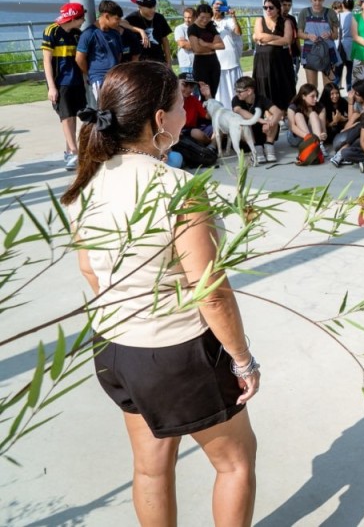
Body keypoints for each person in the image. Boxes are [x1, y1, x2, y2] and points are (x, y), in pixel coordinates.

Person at [60, 61, 258, 526]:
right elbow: (210, 292)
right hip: (178, 352)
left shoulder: (88, 180)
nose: (186, 113)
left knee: (151, 468)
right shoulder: (177, 187)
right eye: (179, 105)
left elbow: (89, 268)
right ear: (158, 120)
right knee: (236, 462)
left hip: (116, 347)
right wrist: (242, 360)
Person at [43, 2, 87, 170]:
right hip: (60, 82)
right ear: (74, 18)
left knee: (73, 116)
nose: (84, 20)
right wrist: (51, 87)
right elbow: (46, 61)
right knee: (66, 117)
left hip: (77, 80)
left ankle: (69, 150)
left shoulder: (77, 33)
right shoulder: (51, 31)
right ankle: (74, 152)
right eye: (82, 17)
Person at [251, 0, 295, 129]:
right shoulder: (260, 20)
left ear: (278, 9)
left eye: (271, 7)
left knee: (283, 86)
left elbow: (287, 40)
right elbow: (259, 36)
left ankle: (284, 115)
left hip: (281, 61)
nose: (268, 10)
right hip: (262, 61)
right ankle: (269, 115)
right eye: (265, 7)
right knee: (264, 86)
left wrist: (268, 41)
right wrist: (277, 38)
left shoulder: (286, 22)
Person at [76, 0, 129, 108]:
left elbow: (119, 54)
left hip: (115, 78)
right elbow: (79, 59)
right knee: (105, 110)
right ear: (106, 16)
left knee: (119, 109)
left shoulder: (115, 33)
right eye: (117, 19)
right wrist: (91, 74)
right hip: (99, 79)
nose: (119, 22)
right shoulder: (89, 34)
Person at [297, 0, 341, 88]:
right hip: (310, 52)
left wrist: (329, 34)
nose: (317, 3)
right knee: (311, 87)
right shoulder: (304, 12)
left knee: (328, 87)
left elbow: (336, 35)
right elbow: (299, 33)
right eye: (315, 0)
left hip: (328, 51)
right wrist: (308, 36)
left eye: (320, 0)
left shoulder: (330, 13)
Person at [232, 75, 283, 163]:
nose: (237, 93)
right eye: (236, 91)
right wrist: (261, 120)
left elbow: (278, 112)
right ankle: (256, 151)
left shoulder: (261, 98)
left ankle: (269, 148)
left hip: (262, 131)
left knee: (273, 119)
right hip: (247, 138)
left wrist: (269, 123)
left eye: (239, 91)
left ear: (249, 91)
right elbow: (239, 110)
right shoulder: (236, 99)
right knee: (244, 123)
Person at [211, 0, 245, 108]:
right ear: (212, 5)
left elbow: (238, 32)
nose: (218, 6)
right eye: (216, 4)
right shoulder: (208, 21)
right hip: (216, 61)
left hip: (231, 60)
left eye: (221, 5)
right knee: (220, 91)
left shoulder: (229, 20)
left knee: (234, 88)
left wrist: (234, 17)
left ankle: (237, 108)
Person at [187, 4, 225, 100]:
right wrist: (213, 46)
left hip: (213, 61)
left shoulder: (210, 26)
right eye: (202, 17)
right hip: (201, 63)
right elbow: (197, 49)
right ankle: (203, 110)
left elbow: (222, 45)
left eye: (208, 18)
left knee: (213, 94)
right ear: (197, 15)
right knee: (205, 95)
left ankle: (211, 109)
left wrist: (205, 44)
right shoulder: (192, 28)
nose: (205, 20)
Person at [125, 0, 172, 66]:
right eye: (149, 7)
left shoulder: (159, 18)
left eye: (154, 6)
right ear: (140, 6)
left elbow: (165, 40)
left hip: (159, 60)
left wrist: (168, 61)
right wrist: (140, 31)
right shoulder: (132, 18)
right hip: (141, 62)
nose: (153, 9)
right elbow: (120, 22)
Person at [286, 83, 328, 155]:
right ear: (303, 96)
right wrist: (308, 137)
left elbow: (323, 128)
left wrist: (324, 134)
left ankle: (319, 145)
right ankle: (311, 143)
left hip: (314, 136)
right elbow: (292, 127)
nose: (315, 99)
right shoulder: (293, 106)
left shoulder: (320, 107)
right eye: (312, 96)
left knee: (313, 114)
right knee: (298, 115)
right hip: (296, 137)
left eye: (316, 96)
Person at [279, 0, 301, 79]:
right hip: (281, 54)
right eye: (284, 5)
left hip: (294, 53)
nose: (287, 8)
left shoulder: (292, 19)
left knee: (293, 78)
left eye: (289, 5)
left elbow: (296, 37)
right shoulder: (276, 19)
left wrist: (301, 52)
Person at [336, 0, 356, 90]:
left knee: (338, 71)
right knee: (350, 70)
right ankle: (349, 89)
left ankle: (335, 90)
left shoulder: (338, 16)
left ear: (342, 5)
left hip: (339, 45)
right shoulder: (355, 16)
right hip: (351, 45)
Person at [174, 7, 195, 76]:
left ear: (195, 17)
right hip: (186, 64)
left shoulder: (199, 28)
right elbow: (183, 45)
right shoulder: (179, 28)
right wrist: (199, 44)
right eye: (185, 17)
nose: (187, 20)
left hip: (198, 64)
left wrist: (188, 42)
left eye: (189, 17)